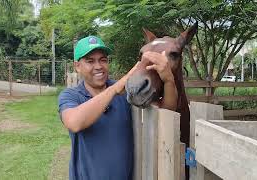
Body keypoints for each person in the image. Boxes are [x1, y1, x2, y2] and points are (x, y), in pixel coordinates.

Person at [58, 35, 177, 180]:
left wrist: (168, 80)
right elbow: (74, 123)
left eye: (103, 60)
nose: (98, 66)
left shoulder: (125, 91)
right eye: (90, 61)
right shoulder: (71, 95)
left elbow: (166, 112)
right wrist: (114, 90)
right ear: (77, 66)